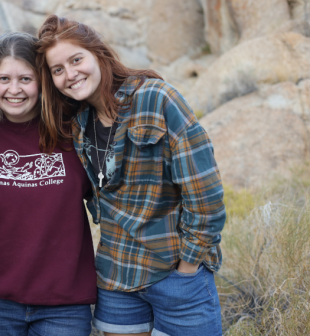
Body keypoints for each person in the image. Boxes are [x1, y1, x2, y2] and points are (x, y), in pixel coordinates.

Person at [36, 15, 226, 336]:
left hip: (175, 275)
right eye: (58, 70)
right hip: (116, 277)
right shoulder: (77, 123)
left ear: (98, 53)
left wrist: (189, 266)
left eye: (76, 59)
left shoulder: (155, 98)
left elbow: (205, 192)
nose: (70, 74)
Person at [0, 32, 97, 336]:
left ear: (41, 81)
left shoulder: (74, 130)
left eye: (25, 79)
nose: (14, 90)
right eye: (3, 79)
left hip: (65, 303)